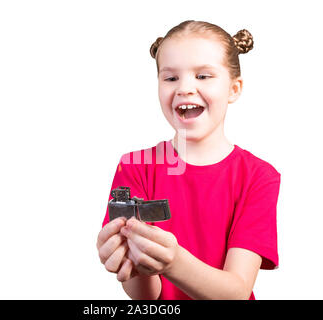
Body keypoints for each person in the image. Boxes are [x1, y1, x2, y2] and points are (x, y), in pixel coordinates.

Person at [96, 20, 281, 300]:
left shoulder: (258, 176)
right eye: (171, 78)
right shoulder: (134, 167)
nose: (184, 88)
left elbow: (236, 292)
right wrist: (134, 263)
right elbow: (146, 297)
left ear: (234, 89)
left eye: (203, 76)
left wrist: (173, 262)